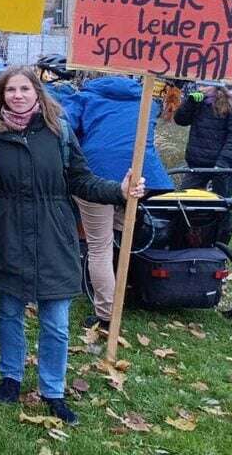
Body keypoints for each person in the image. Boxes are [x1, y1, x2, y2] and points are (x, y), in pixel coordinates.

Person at [0, 67, 144, 426]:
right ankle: (10, 377)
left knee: (56, 322)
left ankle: (53, 389)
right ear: (2, 95)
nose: (17, 95)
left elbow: (81, 179)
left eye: (24, 89)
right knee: (9, 313)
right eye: (10, 90)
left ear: (37, 93)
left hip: (53, 234)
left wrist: (119, 192)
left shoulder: (58, 131)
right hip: (7, 233)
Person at [58, 75, 171, 329]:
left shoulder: (85, 98)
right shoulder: (146, 100)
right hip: (141, 177)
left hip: (95, 175)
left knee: (99, 245)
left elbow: (65, 127)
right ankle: (128, 289)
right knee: (123, 236)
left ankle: (107, 315)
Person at [173, 81, 232, 197]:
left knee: (221, 204)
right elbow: (180, 120)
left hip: (223, 167)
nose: (200, 88)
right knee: (184, 199)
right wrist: (190, 103)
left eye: (204, 85)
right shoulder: (200, 103)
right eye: (199, 85)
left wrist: (222, 164)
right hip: (199, 164)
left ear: (217, 87)